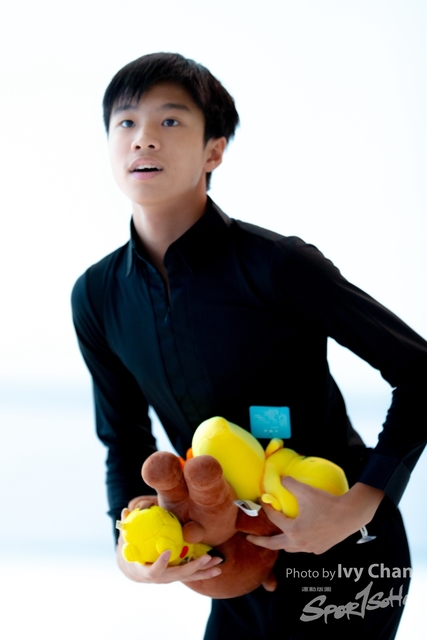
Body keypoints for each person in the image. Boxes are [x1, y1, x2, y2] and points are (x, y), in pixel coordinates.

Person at [71, 52, 427, 639]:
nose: (143, 138)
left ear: (214, 151)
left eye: (170, 120)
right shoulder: (97, 295)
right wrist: (127, 548)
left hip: (347, 551)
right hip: (230, 562)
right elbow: (124, 439)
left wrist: (361, 503)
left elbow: (420, 371)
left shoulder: (279, 266)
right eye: (126, 122)